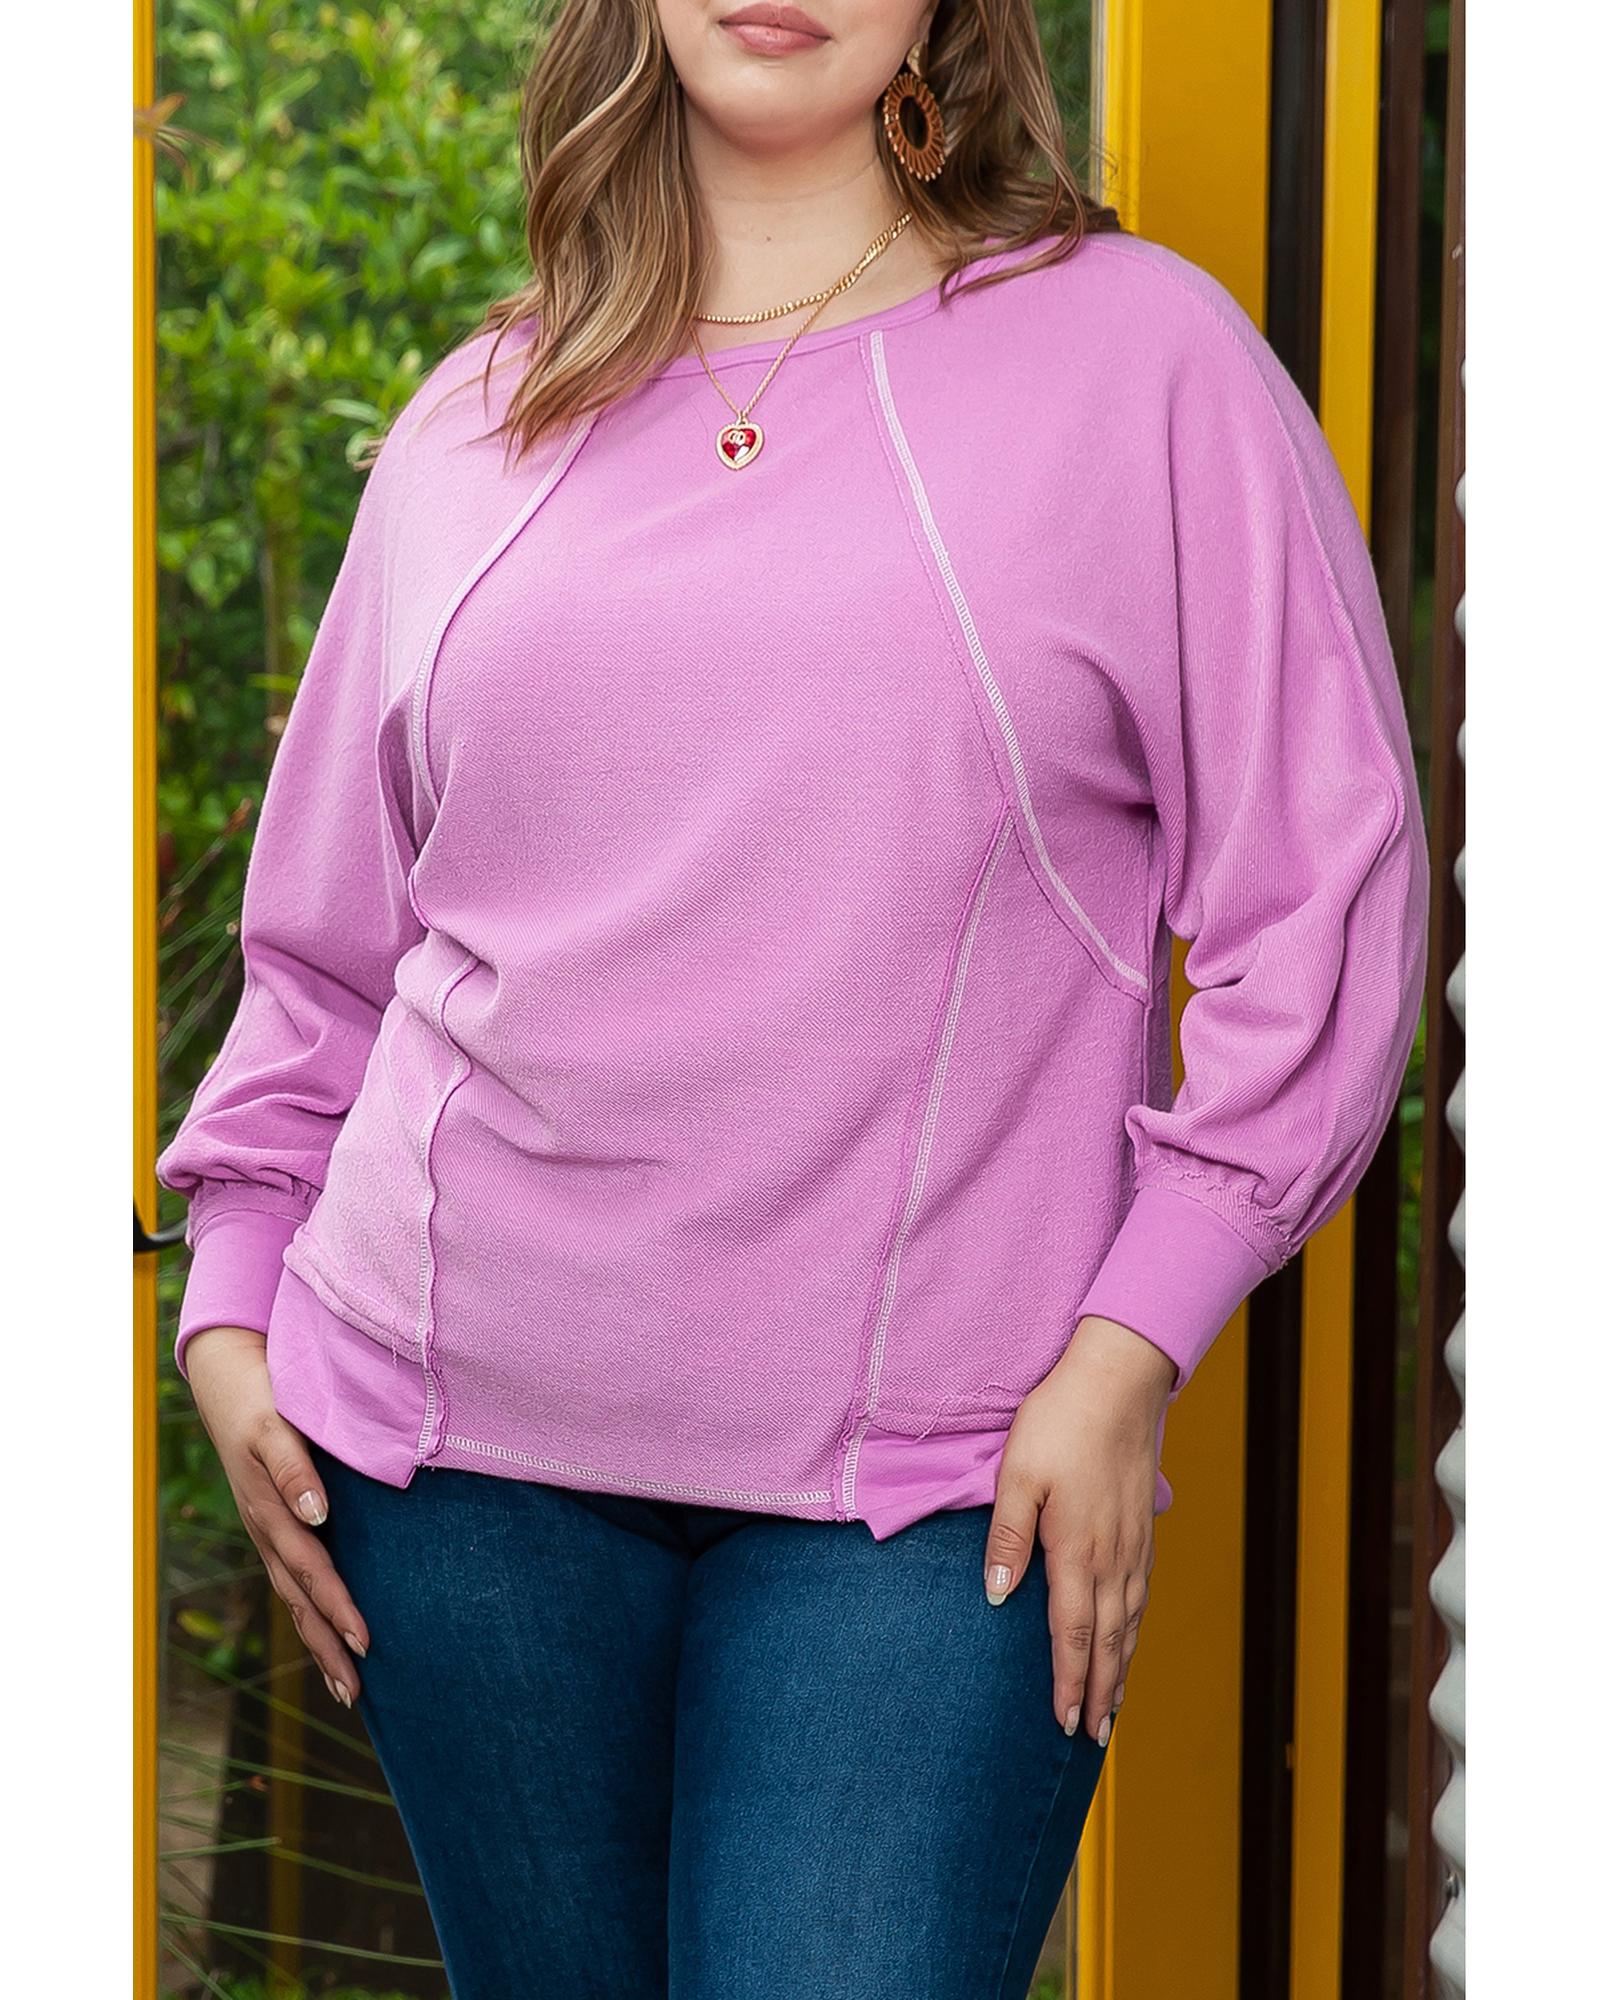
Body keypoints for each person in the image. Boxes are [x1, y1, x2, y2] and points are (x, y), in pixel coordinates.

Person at [156, 2, 1431, 1993]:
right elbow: (330, 947)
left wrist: (1126, 1347)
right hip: (447, 1467)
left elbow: (1321, 896)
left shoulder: (1141, 365)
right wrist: (233, 1303)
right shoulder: (476, 417)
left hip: (938, 1493)